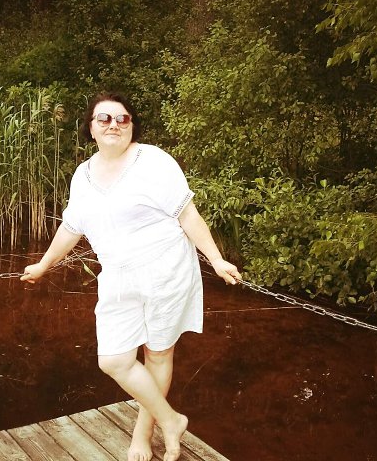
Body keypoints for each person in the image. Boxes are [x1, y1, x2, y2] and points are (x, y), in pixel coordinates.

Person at [20, 92, 241, 461]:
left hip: (166, 269)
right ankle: (171, 420)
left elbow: (187, 214)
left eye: (122, 119)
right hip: (117, 275)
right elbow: (71, 227)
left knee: (157, 353)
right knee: (113, 360)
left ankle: (144, 432)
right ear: (90, 129)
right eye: (104, 119)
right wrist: (44, 264)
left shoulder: (154, 161)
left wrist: (216, 259)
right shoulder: (83, 175)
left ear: (132, 126)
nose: (114, 125)